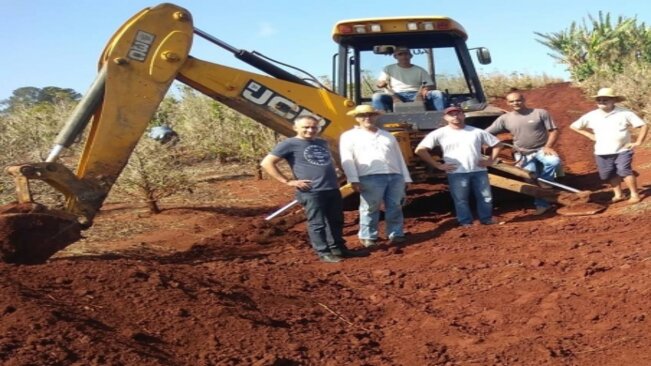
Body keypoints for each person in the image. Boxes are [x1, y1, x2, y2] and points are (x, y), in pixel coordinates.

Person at [260, 116, 363, 263]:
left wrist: (340, 174)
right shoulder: (289, 144)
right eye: (306, 127)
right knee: (317, 223)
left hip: (332, 188)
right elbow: (267, 162)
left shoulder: (321, 142)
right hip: (312, 191)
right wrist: (288, 181)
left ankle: (338, 249)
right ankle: (323, 252)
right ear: (296, 128)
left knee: (336, 220)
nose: (310, 130)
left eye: (314, 127)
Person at [415, 106, 502, 227]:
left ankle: (486, 219)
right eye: (451, 114)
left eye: (458, 113)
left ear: (463, 115)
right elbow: (420, 150)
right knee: (461, 200)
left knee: (486, 197)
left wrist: (491, 161)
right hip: (456, 173)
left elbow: (497, 144)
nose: (455, 116)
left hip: (479, 170)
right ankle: (465, 222)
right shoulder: (439, 133)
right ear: (445, 117)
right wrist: (437, 165)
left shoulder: (477, 132)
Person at [339, 105, 413, 247]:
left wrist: (406, 177)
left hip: (394, 175)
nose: (367, 118)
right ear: (356, 118)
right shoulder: (349, 136)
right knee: (370, 207)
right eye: (363, 115)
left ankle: (396, 233)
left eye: (371, 114)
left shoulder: (387, 135)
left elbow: (399, 158)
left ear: (376, 116)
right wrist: (353, 179)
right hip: (369, 176)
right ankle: (368, 236)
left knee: (395, 206)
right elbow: (347, 159)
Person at [485, 92, 561, 215]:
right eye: (512, 101)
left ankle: (546, 183)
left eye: (518, 100)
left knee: (553, 161)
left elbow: (554, 131)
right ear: (507, 103)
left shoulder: (540, 113)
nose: (515, 103)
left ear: (524, 99)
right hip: (522, 153)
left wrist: (548, 146)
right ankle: (542, 205)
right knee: (530, 180)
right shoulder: (505, 119)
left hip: (541, 149)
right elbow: (486, 133)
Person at [570, 87, 648, 204]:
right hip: (602, 151)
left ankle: (634, 194)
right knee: (609, 173)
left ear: (613, 100)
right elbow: (574, 126)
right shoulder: (591, 115)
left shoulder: (625, 113)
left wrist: (638, 142)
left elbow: (643, 125)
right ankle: (618, 194)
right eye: (599, 100)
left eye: (605, 99)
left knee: (624, 170)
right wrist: (589, 135)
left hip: (623, 149)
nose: (602, 102)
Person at [372, 46, 445, 112]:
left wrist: (421, 94)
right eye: (400, 54)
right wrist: (381, 84)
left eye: (406, 54)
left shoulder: (420, 70)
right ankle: (380, 119)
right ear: (395, 57)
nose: (404, 56)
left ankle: (442, 117)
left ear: (411, 56)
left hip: (416, 93)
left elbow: (430, 85)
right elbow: (381, 82)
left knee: (437, 94)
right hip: (396, 94)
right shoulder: (388, 69)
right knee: (377, 97)